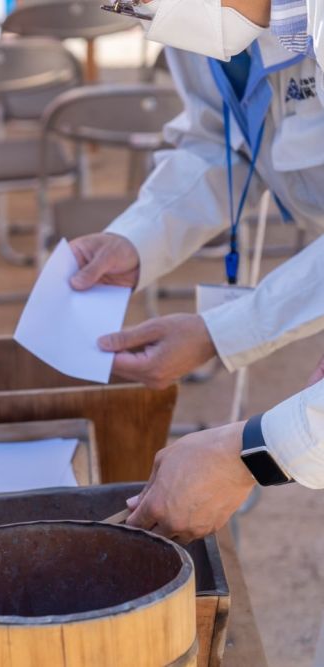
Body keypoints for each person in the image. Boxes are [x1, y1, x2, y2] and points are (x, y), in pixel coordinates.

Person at [69, 18, 324, 539]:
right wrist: (137, 239)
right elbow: (220, 140)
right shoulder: (200, 24)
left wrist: (244, 452)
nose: (145, 12)